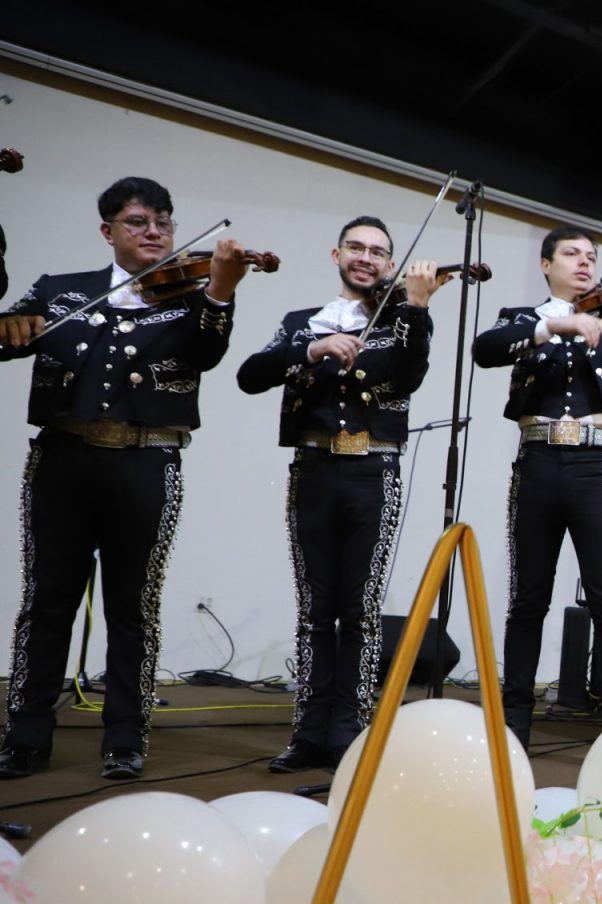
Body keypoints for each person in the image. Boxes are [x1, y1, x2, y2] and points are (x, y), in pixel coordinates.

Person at [0, 177, 249, 779]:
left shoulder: (192, 299)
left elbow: (207, 353)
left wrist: (221, 288)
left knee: (133, 606)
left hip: (147, 462)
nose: (155, 231)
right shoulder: (60, 291)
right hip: (62, 460)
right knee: (46, 602)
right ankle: (25, 736)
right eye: (138, 221)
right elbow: (8, 337)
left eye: (164, 221)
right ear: (107, 230)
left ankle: (125, 738)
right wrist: (10, 326)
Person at [237, 216, 443, 772]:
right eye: (356, 247)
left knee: (360, 610)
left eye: (378, 252)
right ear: (337, 254)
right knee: (315, 609)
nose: (366, 258)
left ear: (391, 265)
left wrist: (417, 305)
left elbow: (410, 373)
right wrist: (313, 348)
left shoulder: (403, 319)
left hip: (374, 470)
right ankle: (308, 731)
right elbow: (250, 376)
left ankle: (350, 729)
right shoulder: (302, 322)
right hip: (313, 468)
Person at [471, 226, 602, 747]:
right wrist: (557, 324)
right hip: (537, 461)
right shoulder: (522, 319)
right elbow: (485, 350)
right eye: (571, 254)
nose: (585, 262)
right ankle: (513, 725)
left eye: (591, 256)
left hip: (595, 464)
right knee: (528, 599)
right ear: (546, 264)